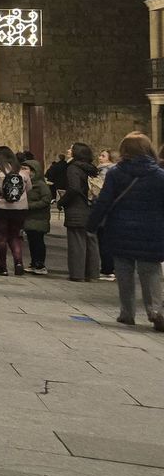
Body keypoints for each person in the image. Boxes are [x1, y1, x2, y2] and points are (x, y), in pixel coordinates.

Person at [88, 132, 164, 330]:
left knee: (124, 272)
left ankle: (127, 313)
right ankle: (155, 311)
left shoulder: (116, 173)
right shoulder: (159, 175)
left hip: (120, 228)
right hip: (152, 230)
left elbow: (104, 201)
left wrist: (92, 224)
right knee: (151, 272)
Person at [0, 146, 32, 276]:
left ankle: (3, 267)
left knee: (0, 237)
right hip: (19, 209)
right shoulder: (23, 172)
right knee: (15, 236)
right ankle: (18, 263)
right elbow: (28, 189)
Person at [62, 143, 103, 282]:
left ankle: (77, 273)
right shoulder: (91, 169)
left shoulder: (73, 168)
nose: (68, 150)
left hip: (77, 208)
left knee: (77, 242)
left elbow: (74, 188)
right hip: (91, 208)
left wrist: (62, 201)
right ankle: (92, 274)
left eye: (71, 148)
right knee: (91, 241)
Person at [19, 150, 52, 275]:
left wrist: (30, 206)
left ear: (33, 171)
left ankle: (40, 264)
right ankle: (34, 262)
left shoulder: (41, 185)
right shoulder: (26, 183)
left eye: (25, 168)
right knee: (32, 241)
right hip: (30, 218)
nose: (23, 170)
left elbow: (46, 200)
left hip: (39, 218)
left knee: (38, 241)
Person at [96, 148, 119, 282]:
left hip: (106, 210)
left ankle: (108, 269)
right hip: (112, 211)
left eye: (103, 155)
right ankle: (110, 268)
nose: (100, 157)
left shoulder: (106, 171)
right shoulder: (115, 171)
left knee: (104, 240)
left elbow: (103, 192)